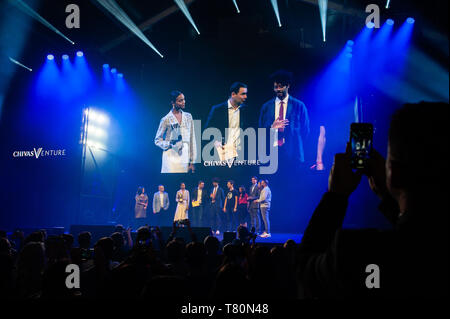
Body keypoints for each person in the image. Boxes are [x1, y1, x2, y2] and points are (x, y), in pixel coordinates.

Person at [297, 102, 449, 298]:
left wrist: (335, 197)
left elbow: (304, 273)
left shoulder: (358, 252)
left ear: (393, 173)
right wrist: (387, 197)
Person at [259, 70, 310, 168]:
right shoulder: (266, 107)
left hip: (293, 154)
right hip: (271, 153)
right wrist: (272, 128)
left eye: (281, 86)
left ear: (288, 86)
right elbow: (260, 131)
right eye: (275, 87)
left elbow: (305, 130)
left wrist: (295, 142)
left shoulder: (299, 106)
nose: (278, 89)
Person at [205, 82, 250, 160]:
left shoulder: (246, 110)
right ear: (233, 94)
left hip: (240, 154)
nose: (246, 97)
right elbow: (208, 130)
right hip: (221, 153)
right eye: (243, 94)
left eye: (246, 94)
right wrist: (217, 143)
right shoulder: (217, 110)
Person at [155, 91, 197, 173]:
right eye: (180, 100)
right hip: (171, 156)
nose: (183, 102)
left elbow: (192, 139)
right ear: (173, 103)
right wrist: (169, 144)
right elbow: (157, 140)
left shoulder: (188, 117)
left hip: (184, 156)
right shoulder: (166, 119)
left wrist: (193, 161)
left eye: (184, 99)